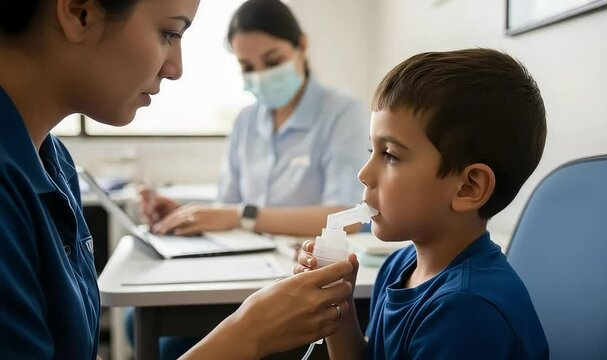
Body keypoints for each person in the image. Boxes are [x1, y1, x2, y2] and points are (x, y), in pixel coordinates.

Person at [0, 0, 356, 359]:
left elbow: (342, 211)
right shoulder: (248, 122)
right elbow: (230, 205)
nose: (176, 69)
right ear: (80, 13)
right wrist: (246, 335)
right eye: (169, 32)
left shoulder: (55, 161)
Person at [297, 49, 550, 359]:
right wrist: (339, 306)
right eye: (371, 150)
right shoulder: (399, 266)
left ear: (468, 187)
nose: (364, 173)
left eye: (390, 154)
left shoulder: (465, 312)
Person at [139, 0, 370, 238]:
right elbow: (228, 207)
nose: (261, 75)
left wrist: (242, 217)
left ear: (302, 45)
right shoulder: (245, 122)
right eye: (248, 66)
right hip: (251, 260)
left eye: (273, 61)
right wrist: (186, 215)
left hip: (310, 262)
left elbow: (347, 217)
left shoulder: (342, 112)